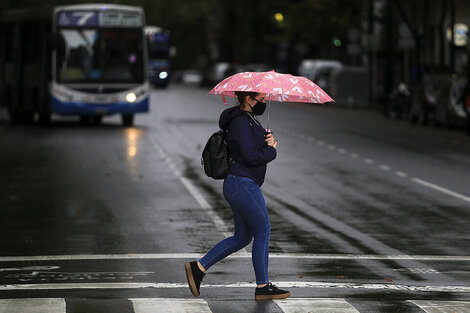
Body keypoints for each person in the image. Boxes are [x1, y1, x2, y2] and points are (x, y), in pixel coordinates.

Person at [185, 91, 290, 301]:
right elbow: (251, 157)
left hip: (240, 185)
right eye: (261, 99)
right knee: (263, 231)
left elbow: (248, 149)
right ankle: (262, 286)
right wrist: (272, 150)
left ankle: (198, 268)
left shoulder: (248, 120)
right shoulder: (241, 122)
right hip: (243, 185)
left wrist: (265, 139)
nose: (264, 103)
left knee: (242, 237)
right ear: (248, 99)